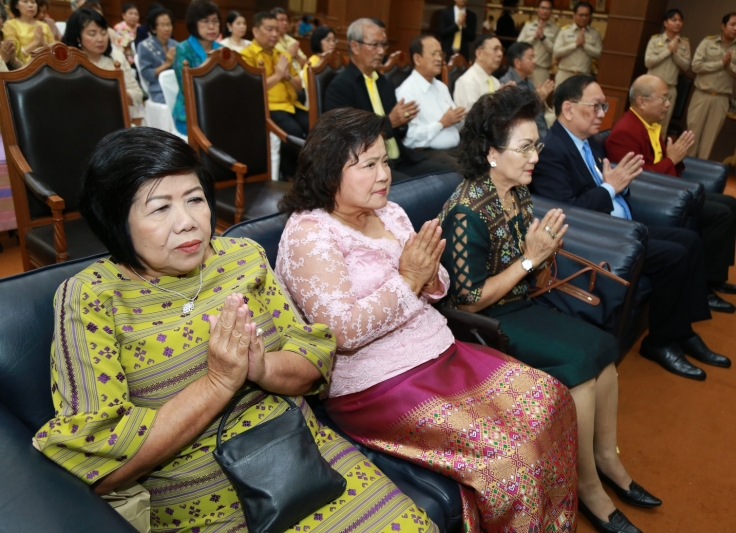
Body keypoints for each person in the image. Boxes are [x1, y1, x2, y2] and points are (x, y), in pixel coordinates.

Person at [33, 126, 438, 533]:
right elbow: (101, 464)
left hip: (308, 463)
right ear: (115, 219)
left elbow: (314, 360)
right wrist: (218, 383)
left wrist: (261, 369)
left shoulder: (242, 256)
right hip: (206, 508)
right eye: (160, 209)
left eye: (195, 200)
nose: (188, 223)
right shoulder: (91, 298)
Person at [274, 107, 579, 533]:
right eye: (368, 165)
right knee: (511, 458)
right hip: (374, 384)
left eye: (385, 161)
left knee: (553, 400)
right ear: (328, 173)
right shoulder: (311, 234)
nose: (384, 175)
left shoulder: (391, 212)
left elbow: (438, 286)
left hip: (439, 351)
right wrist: (408, 279)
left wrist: (427, 274)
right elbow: (339, 332)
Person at [441, 84, 660, 533]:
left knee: (603, 348)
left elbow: (528, 260)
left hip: (523, 302)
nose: (535, 157)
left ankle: (606, 461)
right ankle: (588, 489)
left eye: (535, 146)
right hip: (488, 320)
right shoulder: (466, 212)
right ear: (491, 154)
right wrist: (530, 258)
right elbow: (465, 301)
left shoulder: (517, 192)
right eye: (524, 148)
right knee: (578, 363)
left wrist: (537, 252)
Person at [531, 75, 732, 381]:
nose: (602, 113)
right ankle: (661, 342)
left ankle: (683, 331)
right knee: (675, 255)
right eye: (596, 106)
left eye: (604, 106)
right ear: (568, 109)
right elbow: (566, 211)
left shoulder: (591, 144)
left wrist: (615, 185)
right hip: (603, 238)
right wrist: (610, 188)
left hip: (623, 225)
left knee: (689, 239)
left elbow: (612, 184)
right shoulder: (553, 151)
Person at [606, 75, 736, 312]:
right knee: (719, 214)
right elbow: (638, 178)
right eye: (664, 99)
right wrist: (672, 159)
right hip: (653, 196)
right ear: (642, 102)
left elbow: (659, 163)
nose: (669, 105)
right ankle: (705, 286)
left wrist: (671, 158)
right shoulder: (625, 132)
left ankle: (716, 275)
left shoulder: (649, 124)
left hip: (669, 186)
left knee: (730, 204)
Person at [325, 18, 449, 183]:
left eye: (383, 45)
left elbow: (398, 132)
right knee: (420, 189)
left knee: (449, 177)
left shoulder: (384, 83)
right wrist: (391, 122)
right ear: (355, 46)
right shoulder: (341, 87)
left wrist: (403, 121)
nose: (381, 51)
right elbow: (347, 140)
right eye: (375, 45)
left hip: (400, 158)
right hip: (369, 166)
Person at [241, 11, 307, 178]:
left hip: (292, 104)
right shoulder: (246, 56)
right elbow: (251, 90)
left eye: (277, 30)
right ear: (255, 31)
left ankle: (310, 175)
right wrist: (277, 75)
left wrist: (287, 75)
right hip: (269, 108)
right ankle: (290, 177)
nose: (275, 34)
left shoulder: (281, 55)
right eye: (269, 29)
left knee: (317, 127)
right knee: (293, 134)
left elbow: (300, 86)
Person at [62, 8, 144, 126]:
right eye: (92, 33)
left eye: (103, 32)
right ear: (78, 37)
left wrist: (118, 93)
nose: (100, 39)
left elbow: (137, 93)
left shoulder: (116, 57)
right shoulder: (67, 62)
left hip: (115, 119)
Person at [395, 35, 465, 169]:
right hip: (428, 154)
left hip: (456, 148)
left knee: (489, 163)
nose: (439, 59)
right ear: (417, 58)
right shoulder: (407, 92)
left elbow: (455, 123)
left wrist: (459, 118)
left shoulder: (441, 87)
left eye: (441, 54)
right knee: (465, 173)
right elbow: (410, 138)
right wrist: (441, 124)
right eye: (434, 54)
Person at [686, 13, 736, 160]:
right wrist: (720, 63)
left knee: (709, 139)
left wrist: (729, 66)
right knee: (691, 135)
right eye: (732, 24)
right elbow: (696, 66)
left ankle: (699, 174)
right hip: (701, 95)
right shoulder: (708, 42)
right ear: (723, 26)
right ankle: (684, 169)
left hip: (721, 98)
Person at [172, 0, 221, 136]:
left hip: (217, 110)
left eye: (215, 21)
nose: (212, 26)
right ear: (194, 23)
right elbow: (186, 88)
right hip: (190, 114)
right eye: (205, 21)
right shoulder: (183, 49)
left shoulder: (221, 49)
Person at [644, 8, 691, 138]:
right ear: (665, 23)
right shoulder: (655, 40)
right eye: (674, 20)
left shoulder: (684, 43)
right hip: (652, 89)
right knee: (646, 123)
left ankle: (657, 157)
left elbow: (687, 66)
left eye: (680, 20)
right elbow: (648, 62)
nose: (678, 23)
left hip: (670, 90)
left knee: (662, 127)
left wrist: (674, 53)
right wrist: (667, 51)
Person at [499, 41, 552, 135]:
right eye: (530, 58)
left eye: (534, 57)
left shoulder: (529, 82)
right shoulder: (507, 83)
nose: (534, 61)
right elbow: (511, 116)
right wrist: (536, 99)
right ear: (517, 62)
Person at [552, 1, 602, 88]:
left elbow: (599, 54)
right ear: (574, 15)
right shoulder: (564, 32)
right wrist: (575, 45)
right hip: (565, 74)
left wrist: (584, 45)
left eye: (586, 15)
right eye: (581, 15)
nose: (584, 18)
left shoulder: (595, 34)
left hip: (584, 76)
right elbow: (556, 52)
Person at [453, 34, 504, 112]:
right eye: (495, 49)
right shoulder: (467, 82)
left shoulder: (495, 82)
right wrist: (496, 100)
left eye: (501, 50)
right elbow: (471, 119)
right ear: (479, 53)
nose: (500, 54)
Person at [136, 7, 177, 105]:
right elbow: (146, 74)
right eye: (162, 25)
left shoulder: (176, 45)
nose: (167, 28)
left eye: (169, 24)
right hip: (159, 89)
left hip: (177, 86)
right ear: (153, 28)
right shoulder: (144, 46)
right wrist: (166, 64)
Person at [516, 0, 559, 87]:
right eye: (543, 8)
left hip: (541, 70)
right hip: (524, 68)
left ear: (551, 11)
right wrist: (534, 37)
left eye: (548, 9)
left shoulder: (556, 29)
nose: (545, 11)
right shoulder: (528, 26)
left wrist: (543, 38)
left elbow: (556, 51)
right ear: (537, 9)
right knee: (520, 96)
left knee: (539, 97)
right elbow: (518, 46)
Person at [4, 0, 55, 65]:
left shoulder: (44, 26)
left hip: (46, 65)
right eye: (25, 1)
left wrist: (44, 43)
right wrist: (35, 42)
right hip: (22, 68)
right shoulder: (10, 25)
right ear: (16, 5)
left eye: (33, 2)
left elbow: (55, 52)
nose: (31, 5)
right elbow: (14, 56)